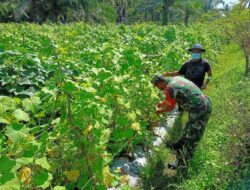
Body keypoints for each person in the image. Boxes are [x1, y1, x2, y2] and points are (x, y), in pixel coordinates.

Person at [151, 75, 212, 170]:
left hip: (200, 109)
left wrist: (157, 111)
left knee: (193, 135)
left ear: (160, 83)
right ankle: (179, 145)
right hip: (202, 103)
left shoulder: (169, 88)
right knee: (189, 127)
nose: (159, 89)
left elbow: (170, 107)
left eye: (158, 87)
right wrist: (160, 104)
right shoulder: (175, 79)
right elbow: (170, 100)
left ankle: (182, 162)